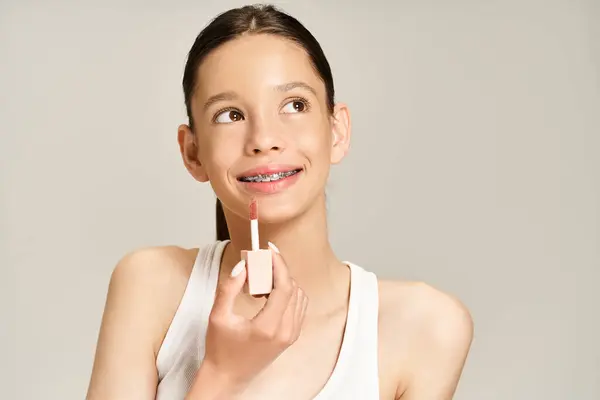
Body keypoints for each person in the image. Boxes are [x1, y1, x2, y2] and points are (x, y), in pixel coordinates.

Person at [86, 4, 474, 400]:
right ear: (193, 152)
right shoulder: (151, 285)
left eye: (295, 105)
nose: (264, 138)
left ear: (337, 131)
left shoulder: (426, 326)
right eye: (229, 114)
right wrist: (222, 373)